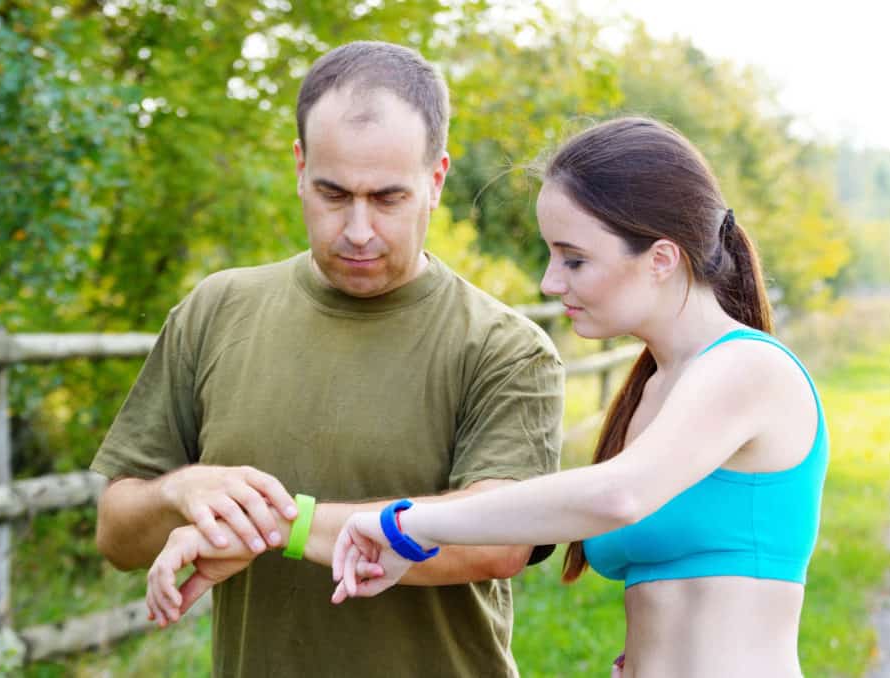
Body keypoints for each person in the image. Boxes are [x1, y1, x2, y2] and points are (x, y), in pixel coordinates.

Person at [92, 41, 564, 677]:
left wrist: (272, 526)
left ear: (436, 179)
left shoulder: (504, 347)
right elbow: (117, 535)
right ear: (298, 167)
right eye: (333, 193)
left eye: (389, 198)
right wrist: (180, 492)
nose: (359, 229)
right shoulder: (215, 310)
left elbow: (498, 540)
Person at [320, 117, 830, 677]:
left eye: (574, 259)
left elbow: (617, 496)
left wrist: (408, 524)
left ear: (661, 258)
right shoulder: (657, 387)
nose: (550, 282)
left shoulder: (747, 367)